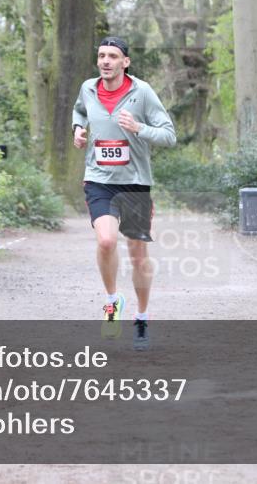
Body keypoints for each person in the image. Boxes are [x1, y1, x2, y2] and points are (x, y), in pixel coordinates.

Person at [72, 37, 176, 350]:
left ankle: (142, 318)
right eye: (101, 55)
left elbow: (169, 135)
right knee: (105, 240)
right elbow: (79, 112)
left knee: (137, 255)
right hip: (99, 179)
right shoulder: (88, 88)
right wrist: (77, 130)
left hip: (135, 183)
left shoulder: (141, 92)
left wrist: (138, 128)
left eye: (112, 56)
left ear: (125, 62)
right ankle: (112, 300)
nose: (105, 61)